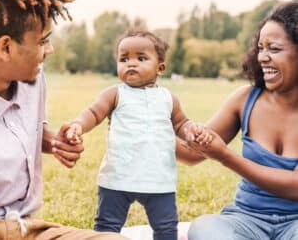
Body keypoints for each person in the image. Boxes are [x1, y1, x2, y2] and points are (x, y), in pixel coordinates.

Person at [0, 0, 128, 239]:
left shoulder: (32, 79)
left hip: (29, 229)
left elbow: (21, 129)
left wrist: (54, 142)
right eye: (43, 41)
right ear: (6, 47)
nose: (50, 49)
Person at [65, 30, 212, 240]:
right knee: (107, 226)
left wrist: (191, 132)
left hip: (158, 179)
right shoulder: (115, 94)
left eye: (141, 58)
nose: (131, 64)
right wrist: (78, 125)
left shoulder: (168, 98)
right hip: (117, 178)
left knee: (166, 229)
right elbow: (93, 112)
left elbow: (181, 123)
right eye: (124, 59)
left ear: (160, 67)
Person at [185, 0, 298, 240]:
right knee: (203, 228)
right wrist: (167, 125)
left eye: (274, 49)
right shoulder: (245, 99)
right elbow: (191, 153)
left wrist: (225, 156)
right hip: (246, 219)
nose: (262, 58)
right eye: (260, 48)